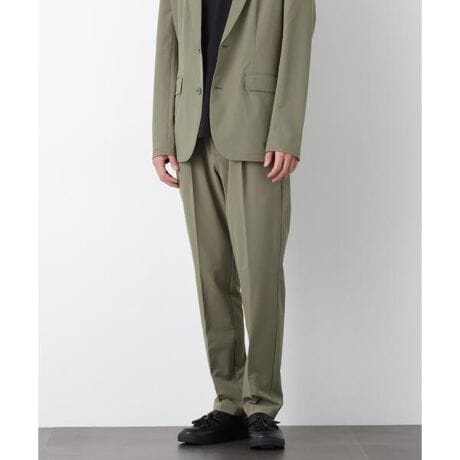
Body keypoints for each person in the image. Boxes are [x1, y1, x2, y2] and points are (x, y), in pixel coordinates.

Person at [152, 0, 315, 450]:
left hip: (257, 136)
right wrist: (162, 135)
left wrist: (286, 132)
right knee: (212, 276)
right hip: (191, 137)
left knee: (260, 275)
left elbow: (297, 46)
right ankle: (229, 401)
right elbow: (167, 45)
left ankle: (261, 403)